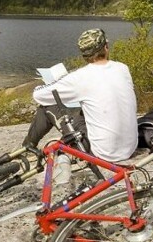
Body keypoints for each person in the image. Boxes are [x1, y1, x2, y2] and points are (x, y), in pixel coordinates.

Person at [22, 28, 138, 163]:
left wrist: (60, 81)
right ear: (106, 47)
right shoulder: (122, 68)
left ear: (84, 55)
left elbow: (39, 95)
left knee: (46, 107)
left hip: (102, 152)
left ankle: (27, 147)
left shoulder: (80, 77)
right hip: (129, 148)